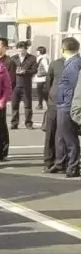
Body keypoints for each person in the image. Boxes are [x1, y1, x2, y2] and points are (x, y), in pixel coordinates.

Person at [50, 37, 81, 178]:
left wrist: (67, 102)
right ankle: (69, 164)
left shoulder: (74, 64)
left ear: (63, 49)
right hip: (64, 104)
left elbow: (75, 87)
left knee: (70, 138)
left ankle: (73, 166)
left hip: (67, 105)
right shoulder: (72, 62)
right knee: (65, 137)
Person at [0, 37, 16, 159]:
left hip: (0, 99)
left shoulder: (9, 62)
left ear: (5, 47)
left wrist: (3, 98)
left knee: (1, 125)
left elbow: (11, 83)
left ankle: (3, 151)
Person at [43, 56, 65, 171]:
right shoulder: (55, 64)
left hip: (67, 103)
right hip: (54, 102)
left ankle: (61, 161)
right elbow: (48, 84)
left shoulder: (77, 63)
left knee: (64, 133)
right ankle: (49, 161)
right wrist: (51, 97)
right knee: (51, 132)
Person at [10, 41, 38, 129]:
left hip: (26, 85)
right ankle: (14, 123)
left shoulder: (32, 58)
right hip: (15, 85)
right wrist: (14, 71)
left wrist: (25, 71)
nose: (21, 53)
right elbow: (9, 70)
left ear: (26, 49)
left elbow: (35, 70)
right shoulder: (13, 58)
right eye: (19, 51)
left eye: (22, 51)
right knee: (14, 105)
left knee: (28, 106)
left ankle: (28, 123)